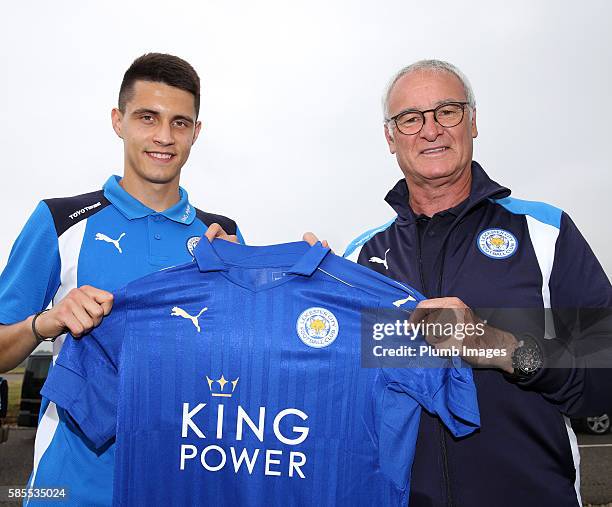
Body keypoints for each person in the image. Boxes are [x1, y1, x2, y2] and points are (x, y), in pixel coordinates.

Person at [311, 59, 612, 506]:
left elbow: (604, 372)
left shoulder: (544, 231)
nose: (430, 130)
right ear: (390, 137)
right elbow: (332, 395)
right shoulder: (359, 258)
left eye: (447, 111)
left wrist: (495, 345)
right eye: (410, 118)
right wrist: (280, 282)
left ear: (472, 121)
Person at [0, 53, 242, 505]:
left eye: (180, 123)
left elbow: (245, 359)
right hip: (72, 492)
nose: (163, 137)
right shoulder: (60, 220)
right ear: (118, 120)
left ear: (197, 132)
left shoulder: (223, 235)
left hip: (185, 487)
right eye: (147, 118)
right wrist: (45, 322)